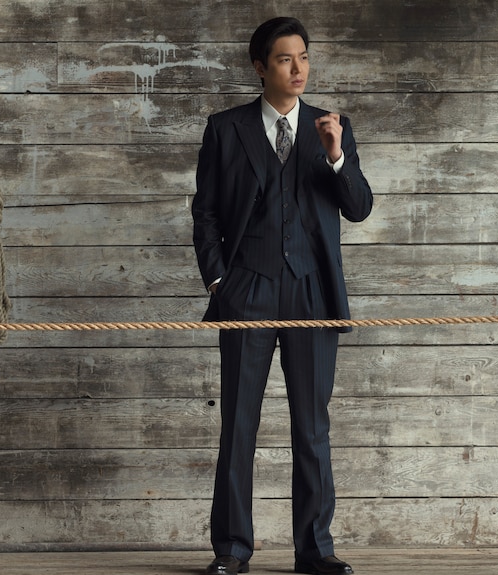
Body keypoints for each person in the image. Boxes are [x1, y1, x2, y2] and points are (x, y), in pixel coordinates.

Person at [191, 16, 373, 575]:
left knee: (311, 428)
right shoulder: (226, 129)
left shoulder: (329, 126)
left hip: (312, 294)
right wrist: (221, 281)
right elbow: (206, 213)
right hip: (247, 290)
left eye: (304, 58)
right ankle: (231, 551)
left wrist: (338, 156)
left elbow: (359, 207)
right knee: (239, 425)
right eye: (284, 59)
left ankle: (315, 550)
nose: (298, 69)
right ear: (259, 67)